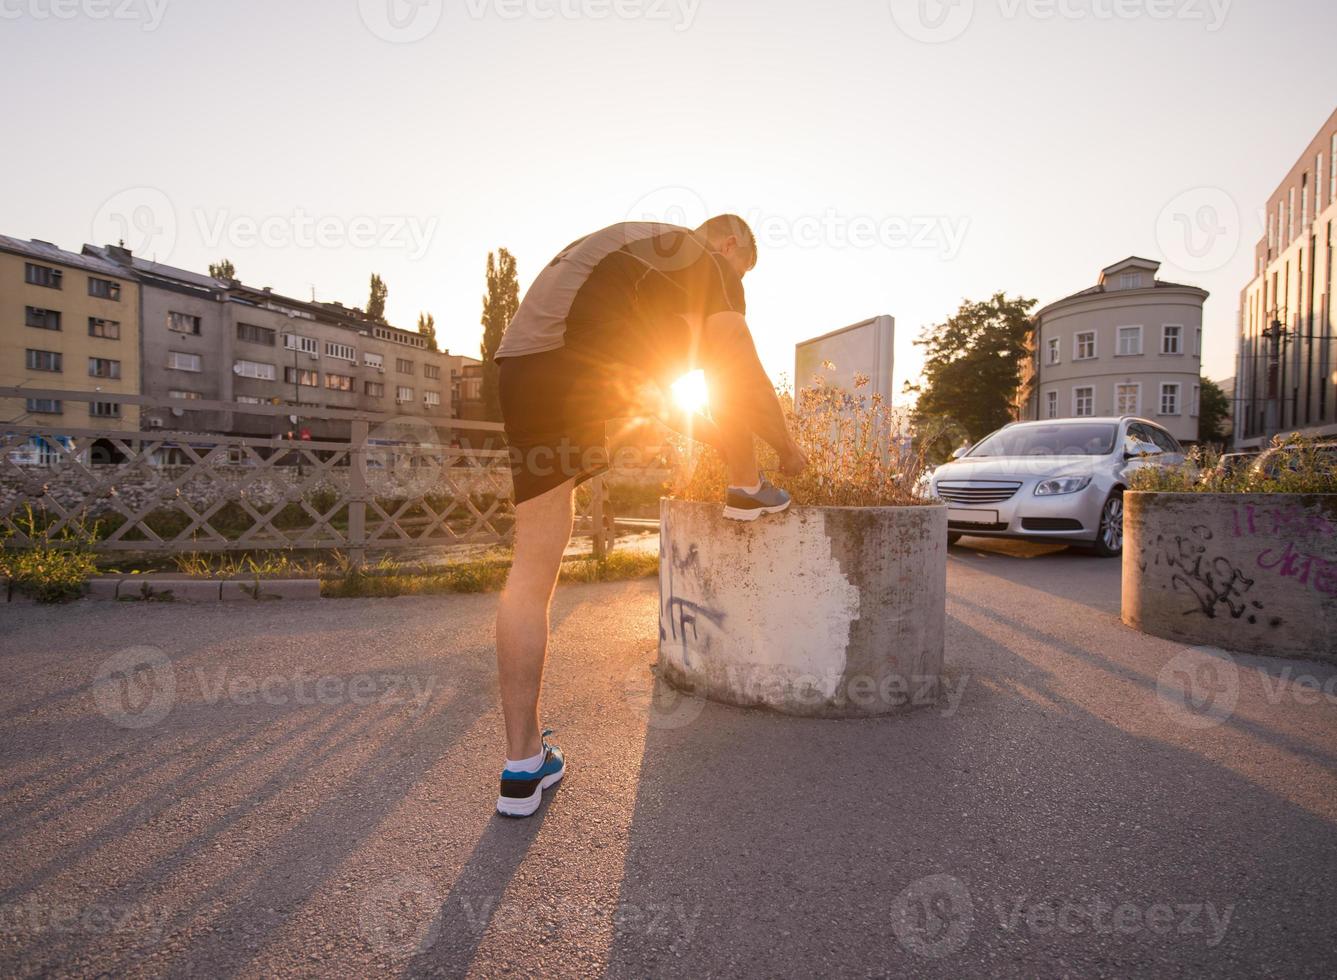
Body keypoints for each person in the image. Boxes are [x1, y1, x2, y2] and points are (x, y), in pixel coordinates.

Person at [491, 215, 807, 817]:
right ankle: (748, 486)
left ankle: (522, 768)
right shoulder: (701, 258)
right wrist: (787, 451)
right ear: (731, 243)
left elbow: (658, 402)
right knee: (724, 358)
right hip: (574, 360)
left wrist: (724, 441)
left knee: (531, 568)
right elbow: (737, 361)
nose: (738, 290)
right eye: (743, 274)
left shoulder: (641, 266)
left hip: (523, 366)